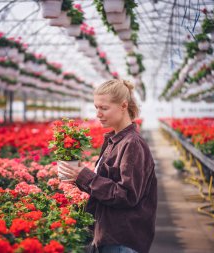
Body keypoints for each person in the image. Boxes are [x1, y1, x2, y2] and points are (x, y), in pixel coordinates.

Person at [58, 79, 157, 253]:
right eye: (96, 107)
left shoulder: (132, 144)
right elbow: (106, 185)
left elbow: (126, 195)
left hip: (122, 238)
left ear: (123, 106)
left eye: (104, 108)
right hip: (110, 234)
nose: (98, 114)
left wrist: (86, 177)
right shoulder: (115, 140)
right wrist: (78, 175)